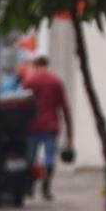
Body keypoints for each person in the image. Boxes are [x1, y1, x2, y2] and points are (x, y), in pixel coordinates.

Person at [22, 53, 74, 200]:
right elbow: (64, 106)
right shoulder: (55, 82)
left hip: (32, 126)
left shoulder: (30, 82)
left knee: (30, 158)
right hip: (51, 125)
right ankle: (46, 188)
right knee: (49, 158)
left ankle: (29, 188)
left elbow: (22, 103)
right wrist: (70, 132)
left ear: (35, 66)